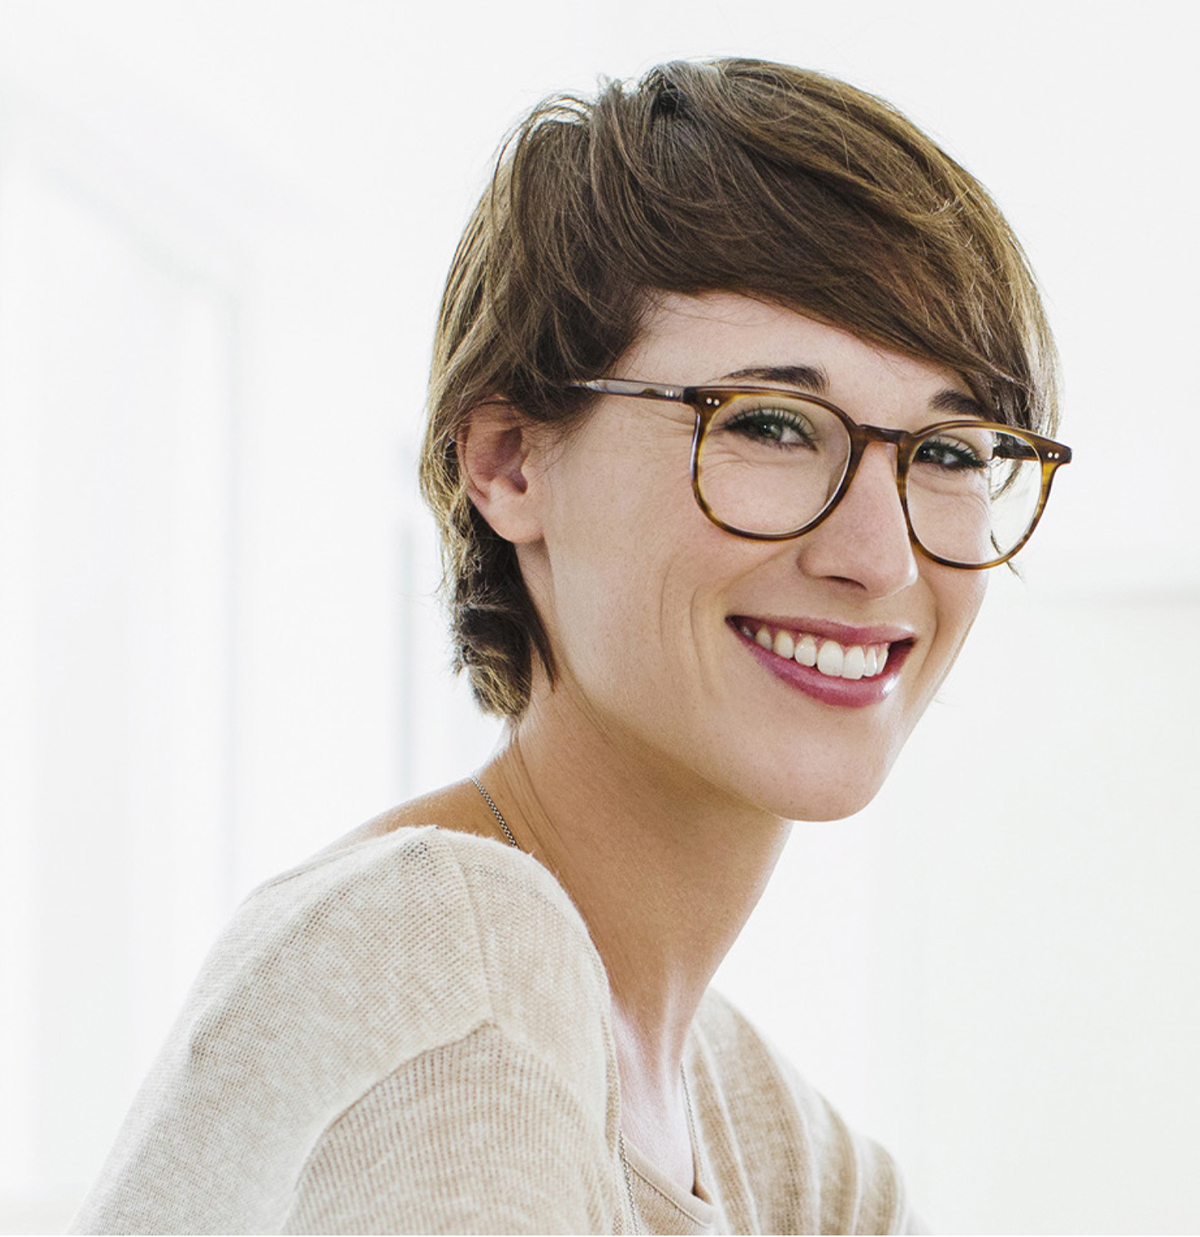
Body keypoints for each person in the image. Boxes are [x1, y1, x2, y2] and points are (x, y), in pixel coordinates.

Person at [72, 58, 1071, 1235]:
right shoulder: (451, 960)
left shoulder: (800, 1160)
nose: (881, 555)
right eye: (766, 423)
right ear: (507, 461)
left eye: (952, 452)